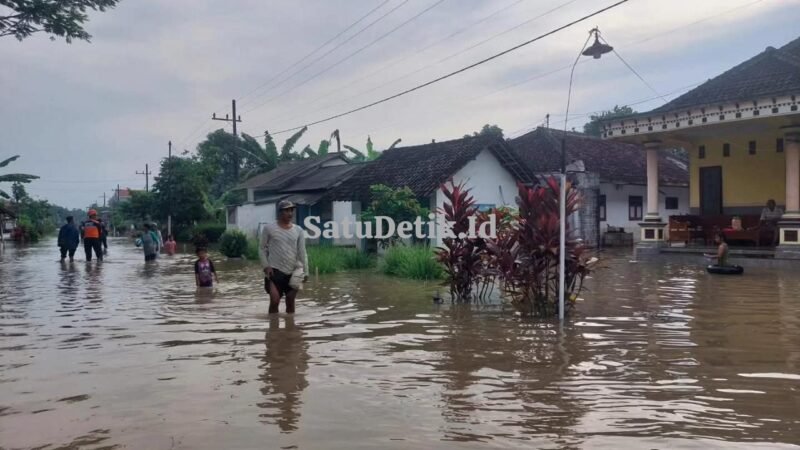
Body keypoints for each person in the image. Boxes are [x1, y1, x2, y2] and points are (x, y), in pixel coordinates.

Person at [260, 200, 308, 314]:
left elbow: (302, 252)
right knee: (275, 301)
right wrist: (266, 266)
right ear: (279, 212)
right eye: (286, 210)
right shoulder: (269, 228)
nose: (290, 213)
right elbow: (261, 248)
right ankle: (273, 324)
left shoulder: (298, 230)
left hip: (294, 271)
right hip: (274, 270)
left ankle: (290, 324)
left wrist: (306, 271)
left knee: (290, 301)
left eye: (291, 210)